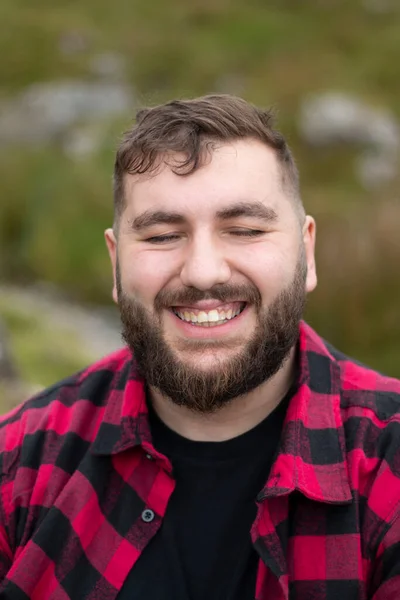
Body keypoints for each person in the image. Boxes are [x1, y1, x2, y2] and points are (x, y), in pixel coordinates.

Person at [0, 94, 399, 600]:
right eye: (164, 236)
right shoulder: (20, 463)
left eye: (246, 230)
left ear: (307, 251)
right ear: (116, 262)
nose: (204, 271)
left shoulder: (391, 465)